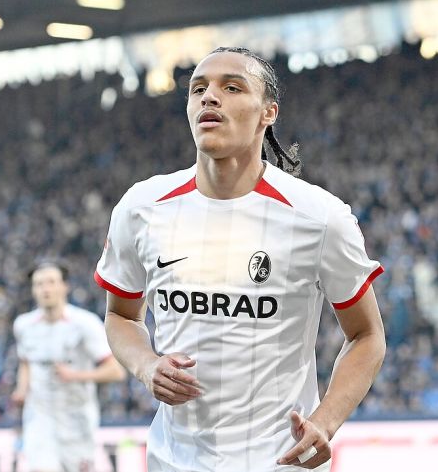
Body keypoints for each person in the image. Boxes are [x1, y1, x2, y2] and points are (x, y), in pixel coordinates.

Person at [96, 47, 386, 471]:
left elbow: (367, 336)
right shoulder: (142, 207)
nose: (209, 97)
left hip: (279, 462)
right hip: (172, 460)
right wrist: (146, 365)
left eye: (231, 87)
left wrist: (325, 422)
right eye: (198, 89)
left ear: (269, 112)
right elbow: (121, 317)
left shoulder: (320, 218)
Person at [11, 261, 127, 472]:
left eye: (51, 282)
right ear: (33, 290)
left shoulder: (85, 324)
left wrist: (74, 375)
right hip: (40, 420)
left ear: (64, 286)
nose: (45, 289)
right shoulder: (23, 325)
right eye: (39, 284)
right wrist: (21, 390)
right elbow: (25, 362)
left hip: (76, 422)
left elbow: (115, 371)